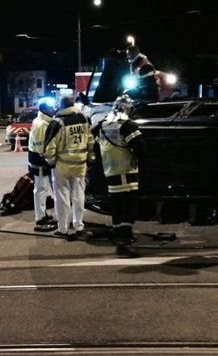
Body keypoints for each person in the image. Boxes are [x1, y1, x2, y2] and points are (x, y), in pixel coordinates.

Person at [92, 94, 146, 257]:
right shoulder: (127, 126)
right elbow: (140, 148)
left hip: (110, 171)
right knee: (129, 206)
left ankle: (117, 233)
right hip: (126, 171)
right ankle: (124, 238)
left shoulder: (102, 125)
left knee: (117, 205)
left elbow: (96, 149)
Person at [44, 95, 94, 239]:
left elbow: (49, 148)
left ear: (61, 105)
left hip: (62, 166)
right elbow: (91, 140)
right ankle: (79, 225)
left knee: (62, 198)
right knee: (79, 196)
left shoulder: (57, 122)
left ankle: (63, 228)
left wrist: (51, 162)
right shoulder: (84, 119)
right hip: (80, 165)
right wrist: (90, 158)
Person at [28, 98, 56, 231]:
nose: (53, 109)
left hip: (36, 160)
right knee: (41, 189)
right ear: (44, 109)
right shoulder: (42, 125)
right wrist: (49, 160)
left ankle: (42, 214)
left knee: (41, 189)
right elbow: (41, 148)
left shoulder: (40, 121)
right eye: (51, 108)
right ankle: (40, 219)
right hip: (39, 161)